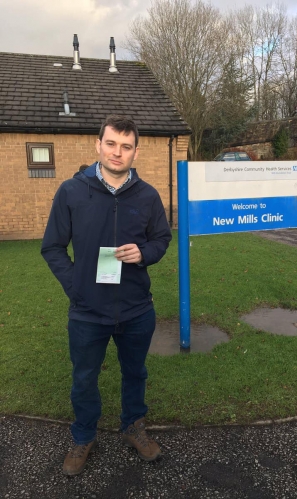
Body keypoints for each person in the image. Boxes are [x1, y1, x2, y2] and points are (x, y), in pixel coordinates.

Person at [41, 115, 172, 476]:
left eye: (126, 146)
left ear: (135, 151)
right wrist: (76, 285)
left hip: (135, 308)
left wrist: (144, 253)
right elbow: (52, 247)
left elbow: (162, 239)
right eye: (111, 143)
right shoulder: (71, 191)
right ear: (98, 145)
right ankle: (83, 435)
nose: (118, 152)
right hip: (87, 311)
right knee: (84, 377)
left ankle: (133, 426)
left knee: (136, 372)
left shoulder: (147, 196)